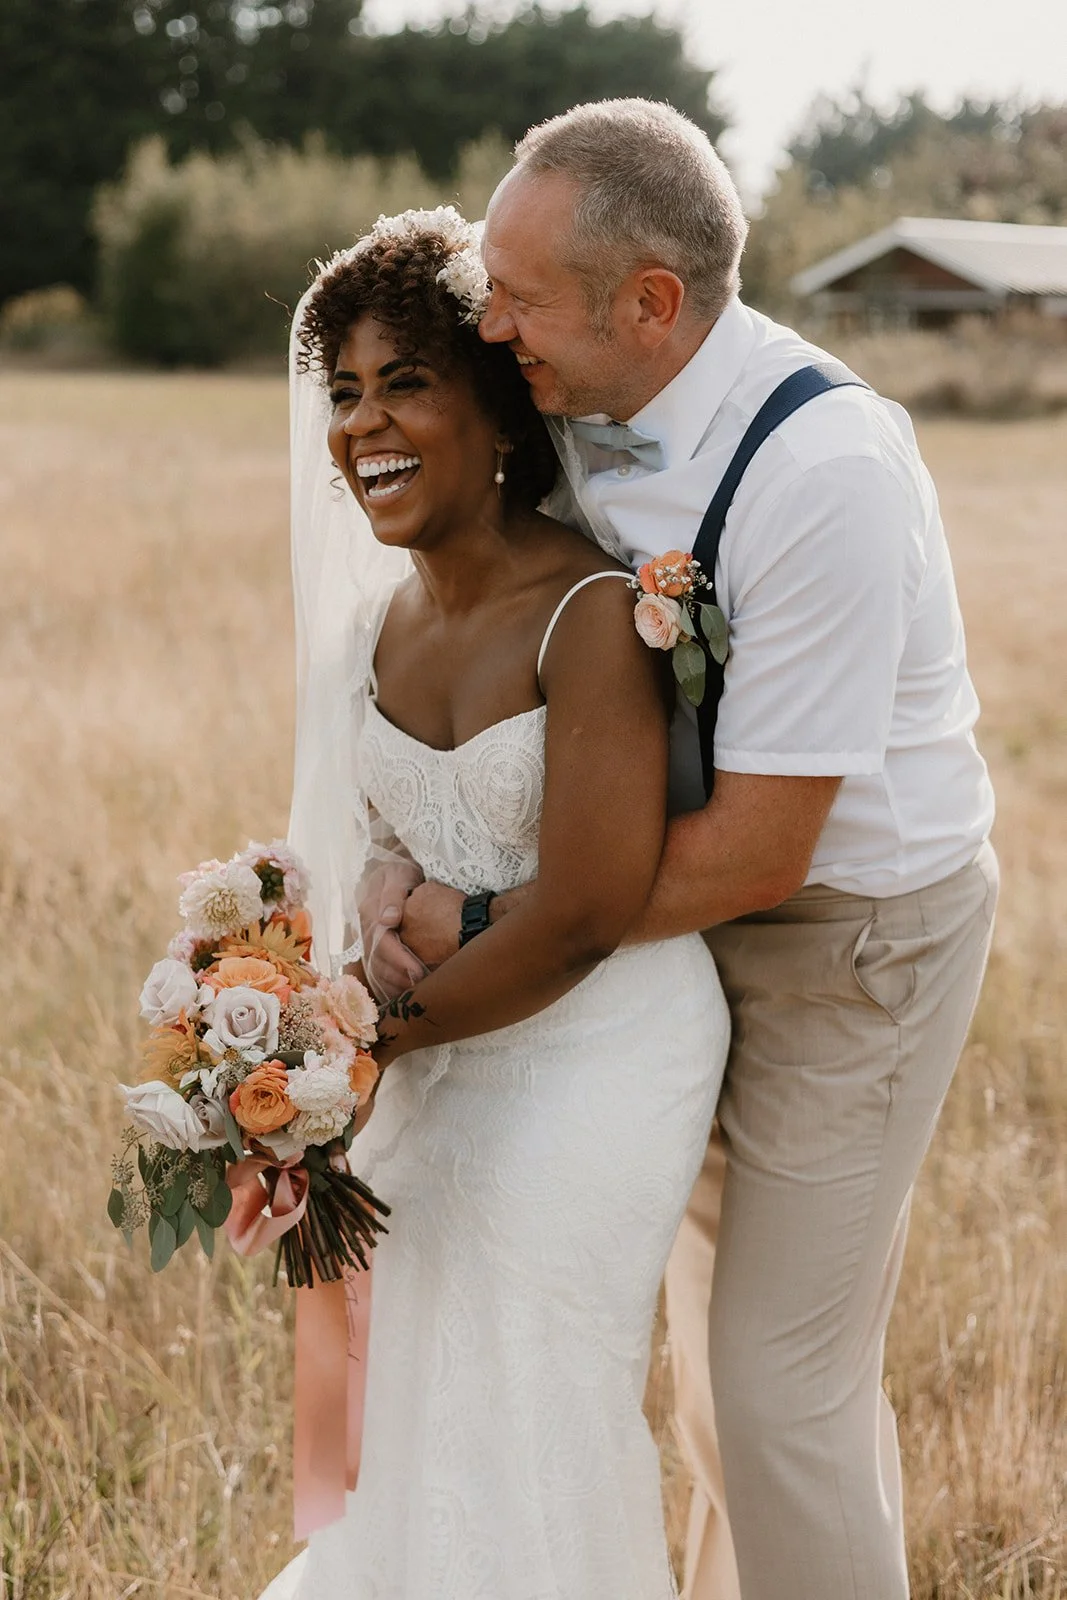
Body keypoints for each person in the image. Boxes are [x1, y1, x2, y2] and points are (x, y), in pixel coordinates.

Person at [384, 102, 1000, 1600]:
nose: (491, 326)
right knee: (715, 1373)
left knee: (782, 1388)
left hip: (852, 943)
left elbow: (762, 853)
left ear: (650, 303)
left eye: (519, 299)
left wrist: (491, 919)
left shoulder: (825, 471)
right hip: (667, 938)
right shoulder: (568, 394)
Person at [259, 206, 730, 1600]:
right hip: (432, 1054)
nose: (364, 424)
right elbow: (369, 855)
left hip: (602, 1048)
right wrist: (288, 1036)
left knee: (528, 1376)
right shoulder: (371, 633)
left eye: (405, 382)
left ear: (499, 410)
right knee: (410, 1368)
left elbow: (585, 912)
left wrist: (361, 1054)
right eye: (345, 391)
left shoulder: (590, 614)